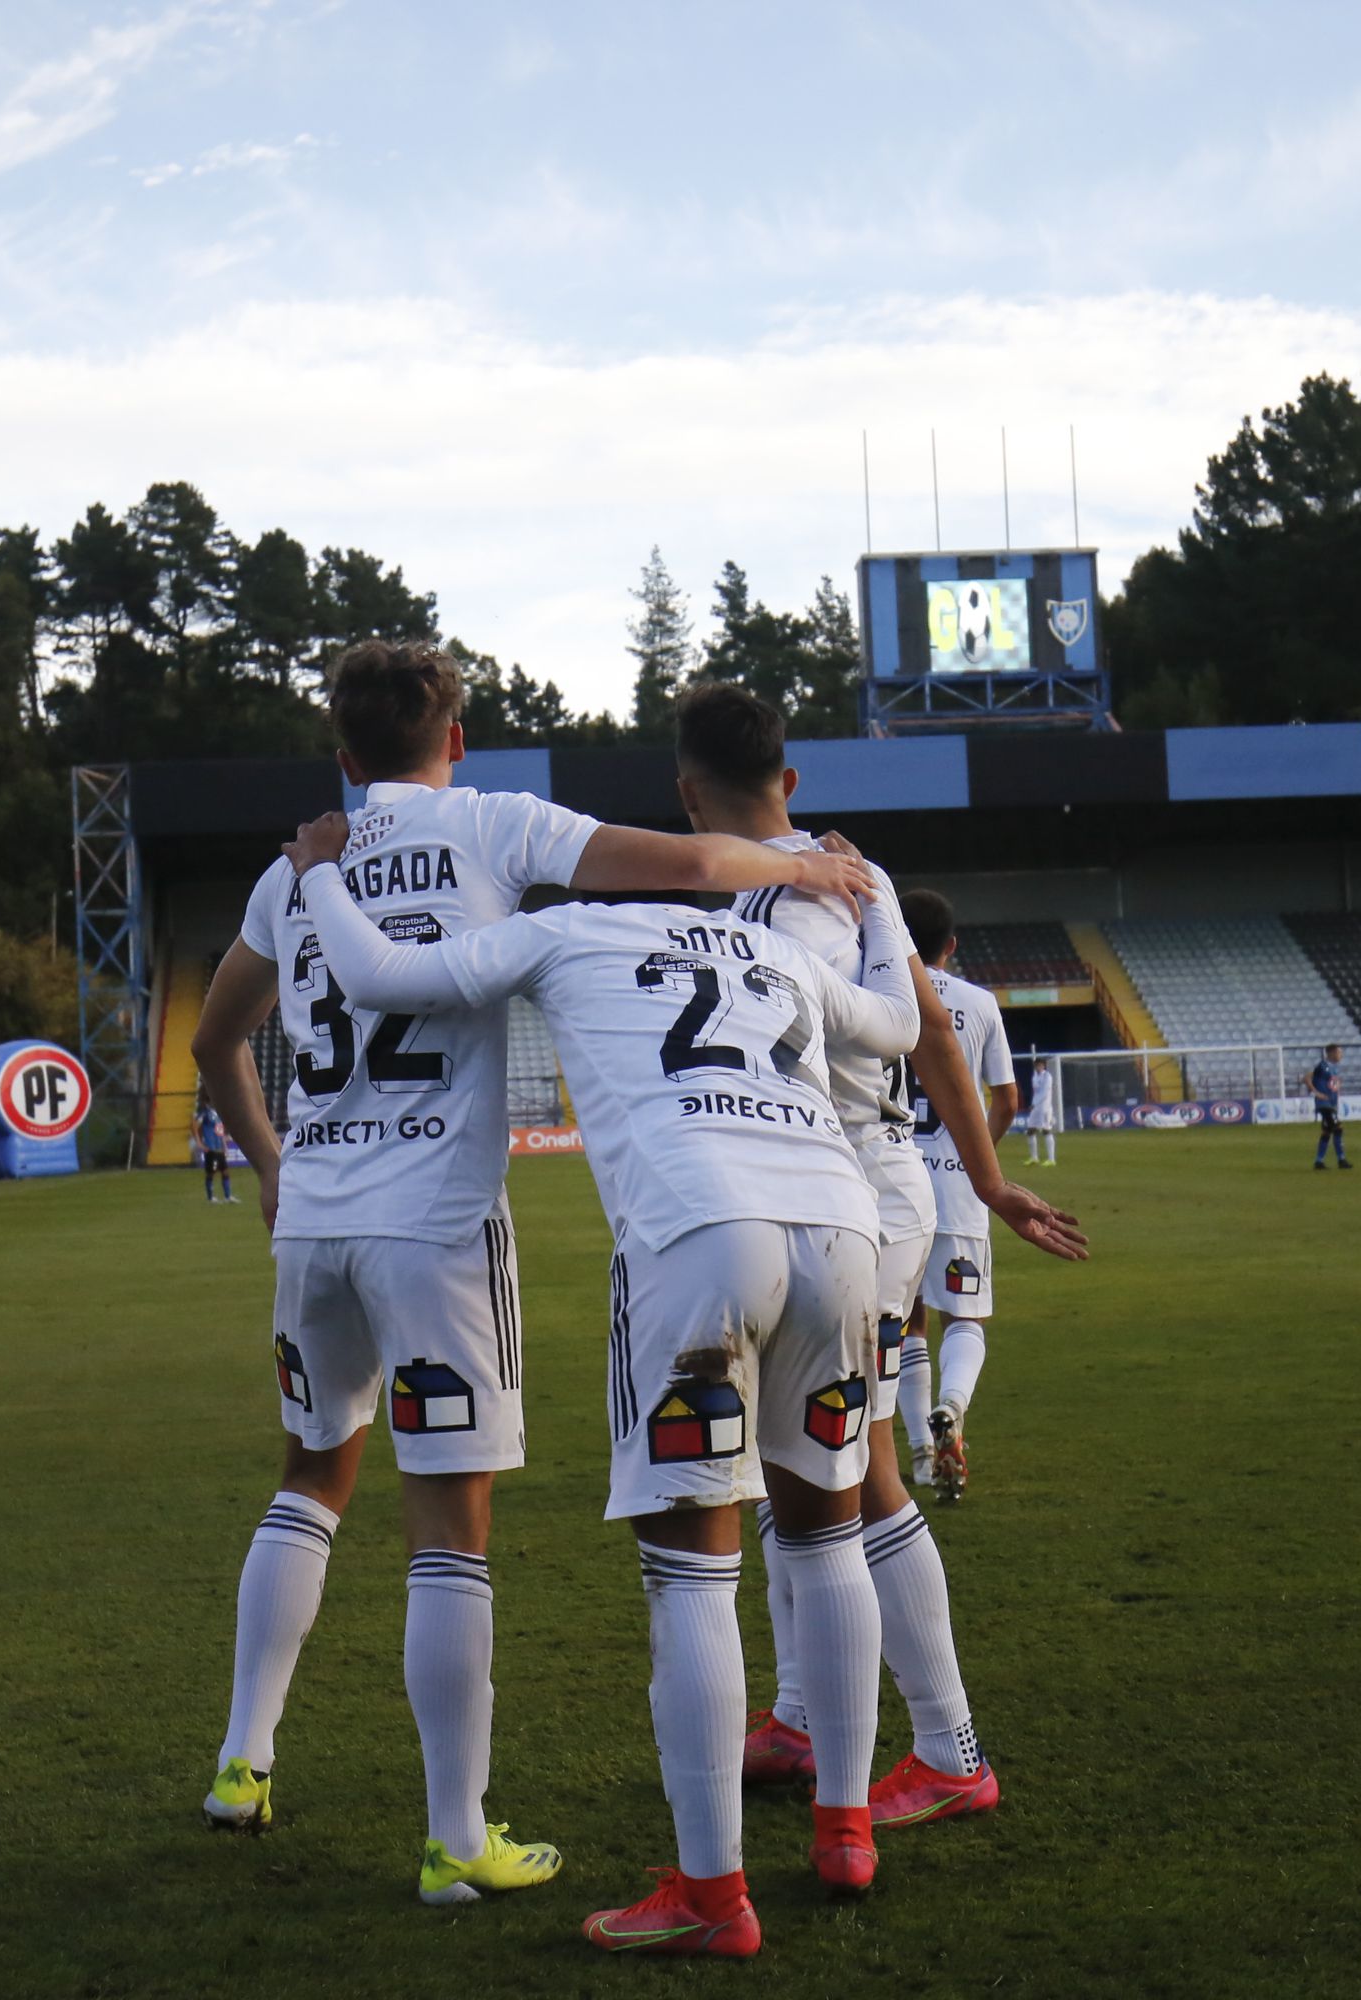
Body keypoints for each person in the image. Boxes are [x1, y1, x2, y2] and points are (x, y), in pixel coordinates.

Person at [187, 639, 874, 1904]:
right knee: (449, 1529)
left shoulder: (296, 874)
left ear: (343, 754)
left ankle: (242, 1757)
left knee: (308, 1476)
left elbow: (216, 1037)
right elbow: (678, 865)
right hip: (437, 1218)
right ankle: (457, 1835)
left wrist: (272, 1159)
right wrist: (800, 864)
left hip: (315, 1221)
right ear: (457, 739)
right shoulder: (491, 822)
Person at [280, 805, 920, 1956]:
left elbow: (376, 974)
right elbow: (900, 1020)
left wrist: (323, 875)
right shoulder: (772, 945)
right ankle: (845, 1828)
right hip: (840, 1227)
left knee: (692, 1569)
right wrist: (873, 898)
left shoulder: (563, 931)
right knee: (826, 1533)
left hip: (697, 1229)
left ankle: (712, 1893)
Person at [666, 685, 1085, 1843]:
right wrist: (990, 1181)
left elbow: (924, 1030)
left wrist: (988, 1186)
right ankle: (806, 1714)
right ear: (789, 781)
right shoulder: (856, 876)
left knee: (862, 1472)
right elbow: (933, 1029)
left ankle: (951, 1747)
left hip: (851, 1197)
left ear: (688, 794)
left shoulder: (703, 887)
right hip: (840, 1194)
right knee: (794, 1464)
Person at [900, 890, 1021, 1502]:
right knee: (964, 1316)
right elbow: (1007, 1100)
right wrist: (981, 1160)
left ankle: (921, 1456)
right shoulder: (979, 1003)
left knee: (905, 1324)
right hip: (957, 1184)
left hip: (890, 1185)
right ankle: (951, 1407)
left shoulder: (874, 995)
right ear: (951, 946)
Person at [1310, 1043, 1351, 1171]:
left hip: (1331, 1104)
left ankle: (1318, 1162)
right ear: (1332, 1053)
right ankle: (1341, 1160)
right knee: (1338, 1128)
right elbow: (1306, 1078)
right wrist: (1316, 1093)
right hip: (1324, 1105)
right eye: (1339, 1052)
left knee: (1327, 1132)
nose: (1341, 1055)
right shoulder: (1322, 1066)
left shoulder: (1334, 1068)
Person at [193, 1098, 235, 1203]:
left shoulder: (218, 1115)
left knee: (225, 1172)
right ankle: (210, 1197)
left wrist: (224, 1145)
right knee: (211, 1173)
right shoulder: (205, 1113)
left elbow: (220, 1131)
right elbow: (194, 1126)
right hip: (210, 1148)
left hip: (219, 1148)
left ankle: (228, 1196)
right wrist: (199, 1143)